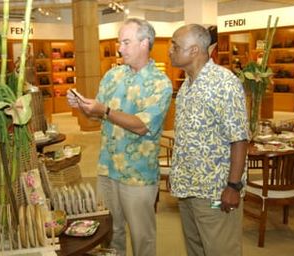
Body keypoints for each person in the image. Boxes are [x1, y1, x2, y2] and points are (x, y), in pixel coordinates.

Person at [67, 18, 172, 256]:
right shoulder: (112, 76)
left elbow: (142, 126)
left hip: (138, 176)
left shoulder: (160, 84)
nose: (119, 48)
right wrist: (83, 106)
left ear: (145, 43)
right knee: (109, 233)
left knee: (141, 236)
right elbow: (97, 118)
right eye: (119, 42)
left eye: (126, 42)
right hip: (107, 169)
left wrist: (104, 110)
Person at [168, 24, 249, 256]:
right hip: (188, 189)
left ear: (194, 50)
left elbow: (239, 139)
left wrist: (233, 186)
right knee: (196, 249)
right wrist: (177, 174)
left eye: (175, 45)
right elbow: (187, 138)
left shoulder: (224, 83)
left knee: (221, 250)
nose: (170, 50)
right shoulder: (186, 86)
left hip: (215, 192)